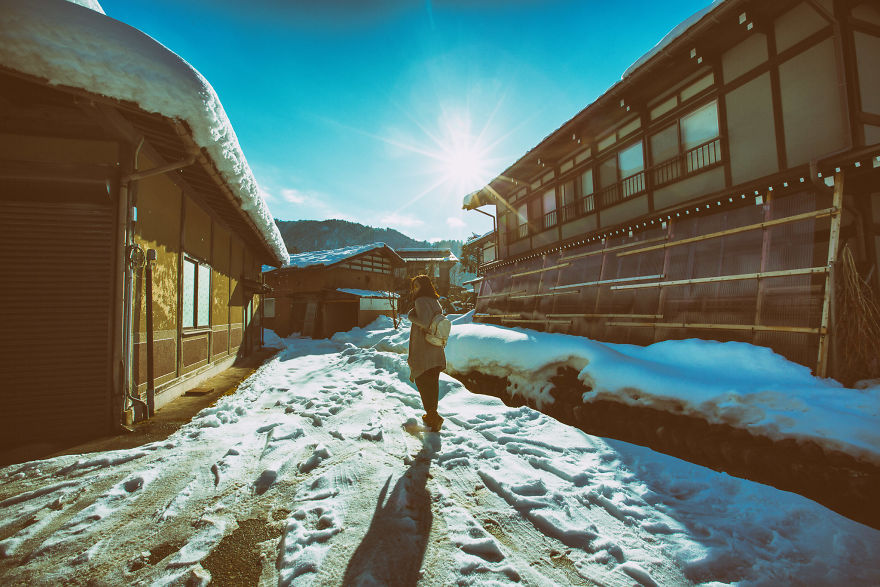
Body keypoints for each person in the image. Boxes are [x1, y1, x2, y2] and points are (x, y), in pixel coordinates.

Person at [406, 274, 446, 431]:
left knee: (423, 382)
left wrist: (410, 315)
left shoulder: (420, 300)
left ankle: (433, 417)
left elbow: (424, 322)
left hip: (425, 352)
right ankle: (432, 414)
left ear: (423, 286)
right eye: (413, 286)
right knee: (433, 385)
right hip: (436, 349)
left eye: (417, 286)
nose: (414, 289)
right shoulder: (435, 301)